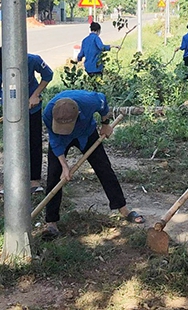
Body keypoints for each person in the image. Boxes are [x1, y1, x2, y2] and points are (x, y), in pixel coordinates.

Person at [41, 89, 145, 239]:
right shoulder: (48, 114)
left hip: (86, 134)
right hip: (60, 140)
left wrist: (105, 124)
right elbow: (55, 142)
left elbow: (104, 104)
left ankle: (123, 209)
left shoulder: (90, 101)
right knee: (54, 175)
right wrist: (65, 166)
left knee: (104, 169)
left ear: (78, 115)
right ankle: (51, 222)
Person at [0, 47, 54, 194]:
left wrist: (35, 94)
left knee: (34, 142)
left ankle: (34, 181)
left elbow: (48, 75)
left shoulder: (32, 60)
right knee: (12, 144)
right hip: (11, 111)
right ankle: (12, 181)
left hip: (31, 109)